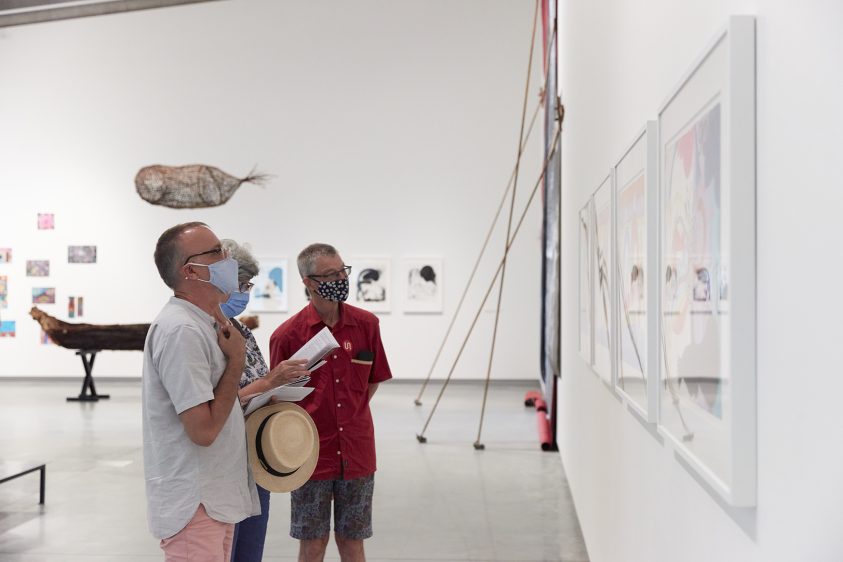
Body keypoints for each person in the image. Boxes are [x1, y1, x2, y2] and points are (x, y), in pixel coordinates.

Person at [142, 222, 259, 561]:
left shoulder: (204, 322)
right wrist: (236, 361)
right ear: (191, 270)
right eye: (216, 252)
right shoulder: (181, 330)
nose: (227, 258)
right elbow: (203, 431)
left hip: (213, 500)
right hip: (196, 504)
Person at [269, 243, 393, 562]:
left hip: (357, 452)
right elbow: (277, 400)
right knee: (313, 543)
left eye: (342, 271)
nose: (340, 279)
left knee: (353, 542)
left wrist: (352, 412)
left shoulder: (367, 325)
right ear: (308, 282)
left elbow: (373, 379)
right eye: (330, 274)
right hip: (310, 455)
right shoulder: (287, 336)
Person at [220, 239, 310, 562]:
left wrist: (280, 386)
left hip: (255, 460)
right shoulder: (203, 335)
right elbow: (215, 406)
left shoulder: (241, 332)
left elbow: (256, 380)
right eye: (242, 285)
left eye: (249, 286)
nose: (246, 293)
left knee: (250, 551)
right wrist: (269, 383)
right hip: (224, 465)